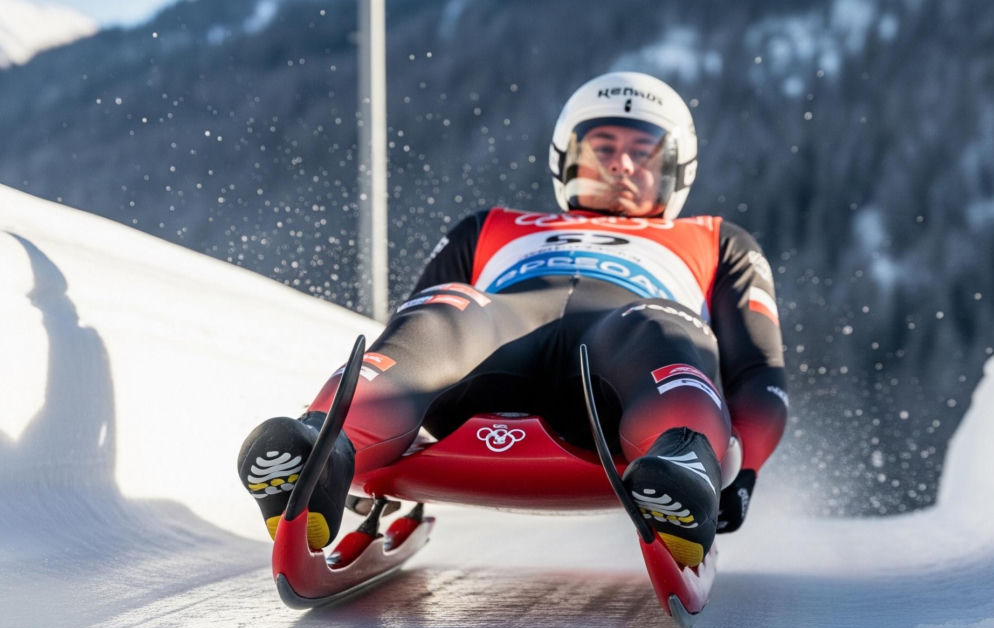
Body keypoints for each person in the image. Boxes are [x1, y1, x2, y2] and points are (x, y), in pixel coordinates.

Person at [238, 70, 788, 567]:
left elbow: (759, 370)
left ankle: (682, 464)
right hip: (499, 337)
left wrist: (748, 467)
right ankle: (324, 450)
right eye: (603, 147)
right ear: (567, 158)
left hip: (625, 354)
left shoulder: (718, 239)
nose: (621, 164)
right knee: (446, 309)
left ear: (675, 170)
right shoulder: (490, 225)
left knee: (661, 327)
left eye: (643, 152)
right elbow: (404, 332)